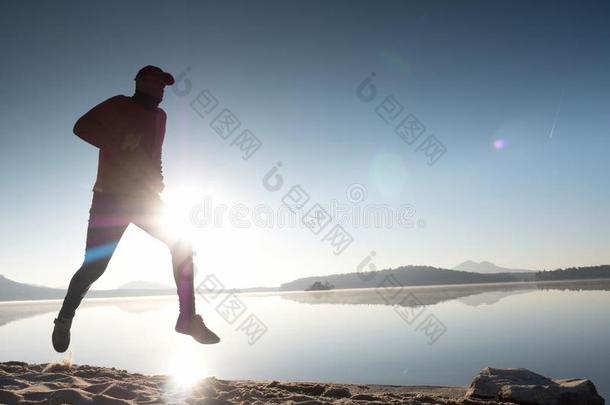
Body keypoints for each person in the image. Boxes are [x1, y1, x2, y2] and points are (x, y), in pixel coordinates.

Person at [52, 65, 220, 353]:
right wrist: (117, 142)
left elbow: (156, 154)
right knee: (95, 267)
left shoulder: (160, 117)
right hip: (110, 198)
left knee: (181, 243)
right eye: (157, 82)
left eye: (165, 85)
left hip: (144, 197)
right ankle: (64, 318)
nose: (162, 88)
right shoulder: (118, 104)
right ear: (141, 82)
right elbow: (80, 127)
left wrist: (159, 179)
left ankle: (187, 319)